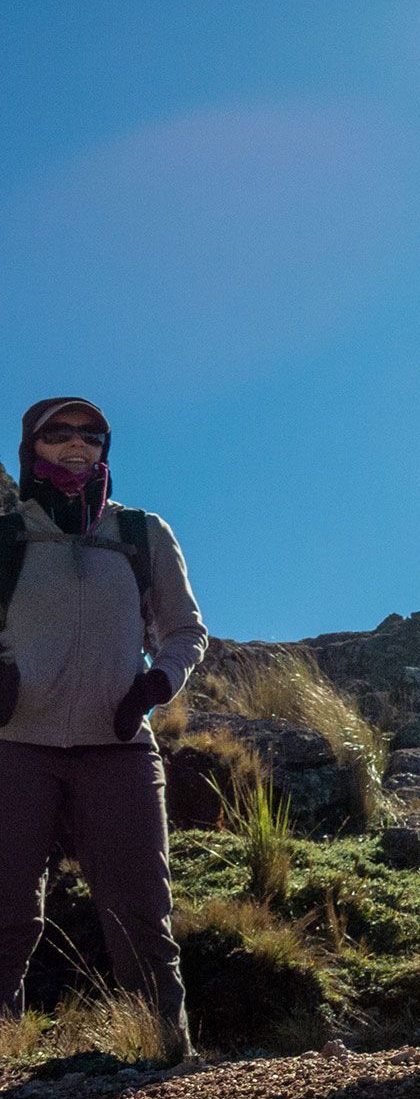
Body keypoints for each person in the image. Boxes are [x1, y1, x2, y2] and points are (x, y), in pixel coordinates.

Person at [0, 398, 207, 1060]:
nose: (76, 444)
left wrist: (156, 684)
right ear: (33, 446)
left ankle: (164, 1062)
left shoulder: (142, 532)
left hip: (118, 750)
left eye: (90, 434)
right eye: (58, 433)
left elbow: (184, 630)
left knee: (141, 915)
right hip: (13, 749)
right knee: (4, 918)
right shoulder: (6, 536)